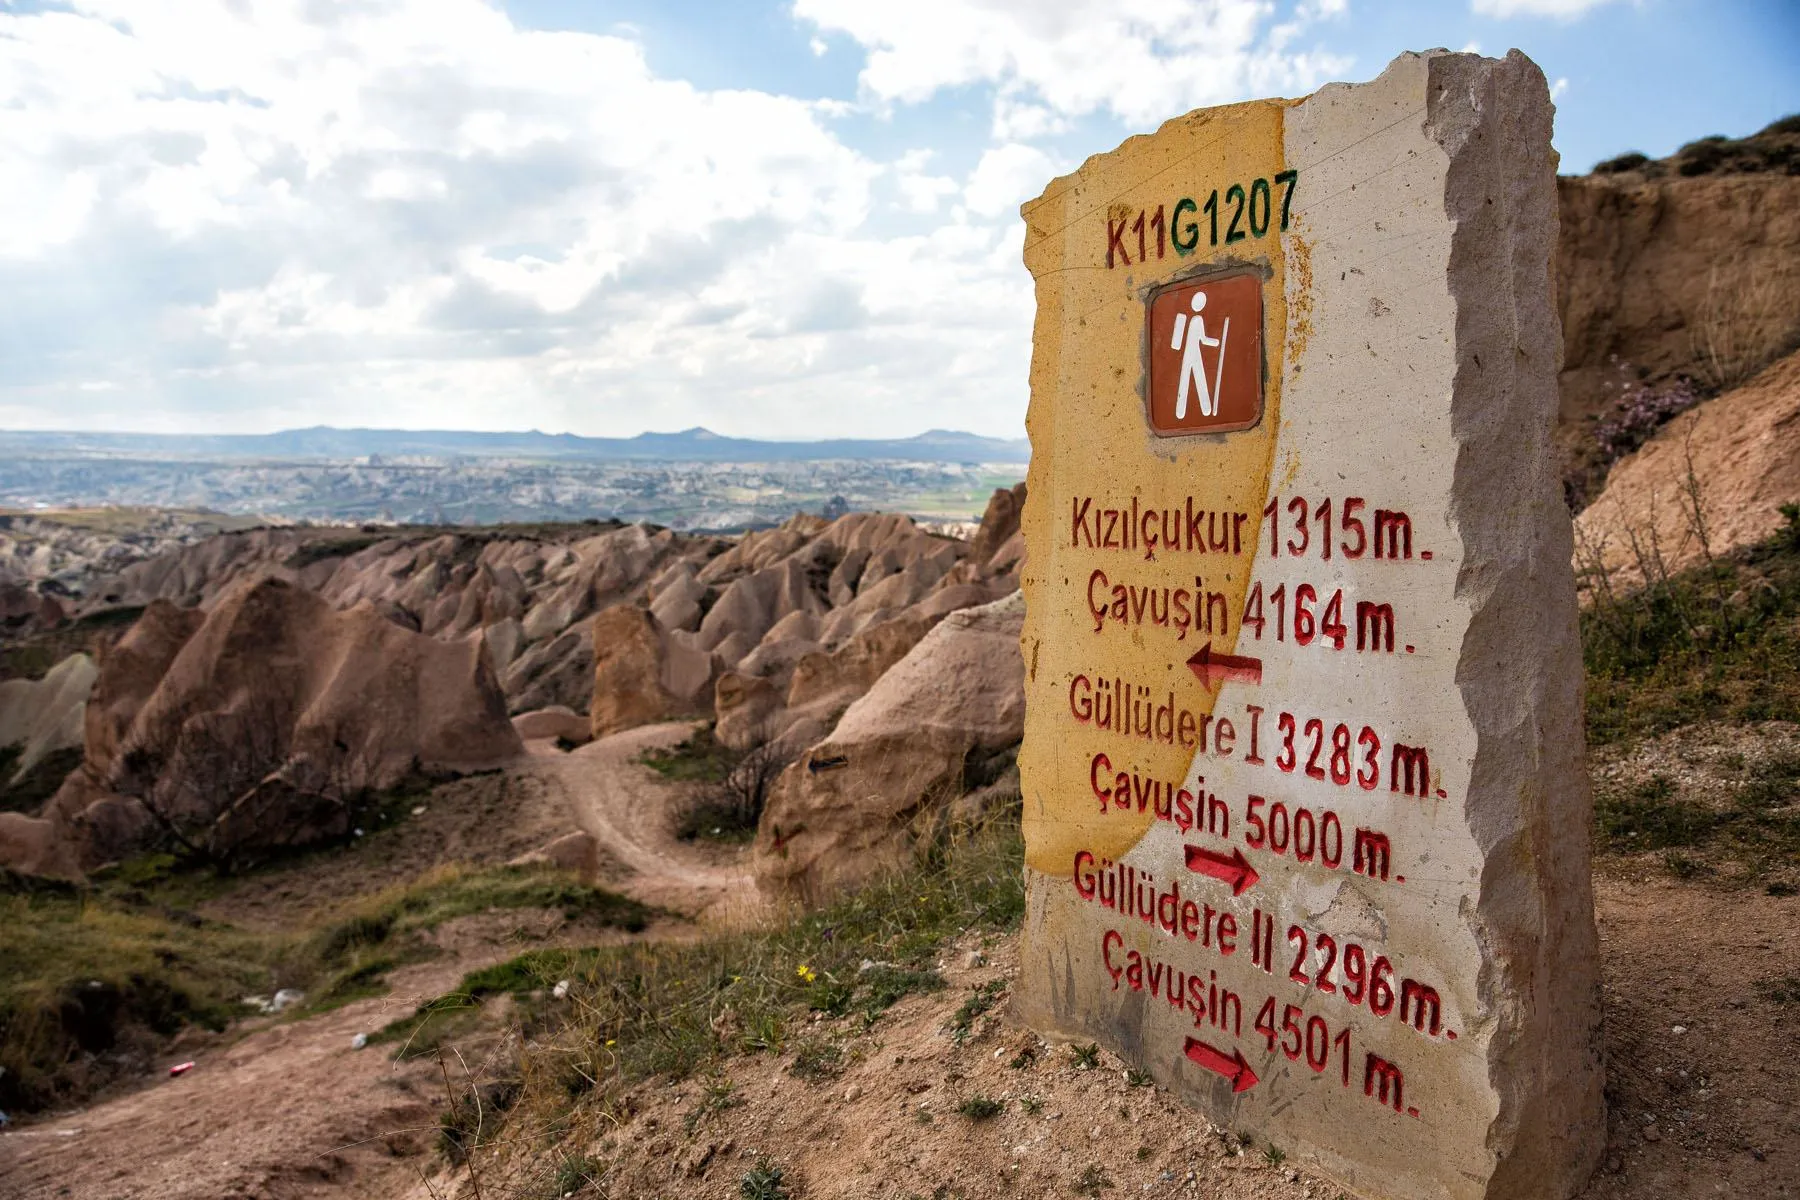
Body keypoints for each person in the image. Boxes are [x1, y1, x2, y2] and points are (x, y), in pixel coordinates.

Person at [1171, 291, 1221, 419]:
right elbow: (1202, 340)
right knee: (1196, 378)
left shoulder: (1186, 317)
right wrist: (1215, 342)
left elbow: (1176, 343)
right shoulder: (1194, 319)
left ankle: (1192, 409)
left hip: (1191, 352)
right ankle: (1202, 409)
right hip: (1192, 352)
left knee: (1189, 378)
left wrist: (1215, 342)